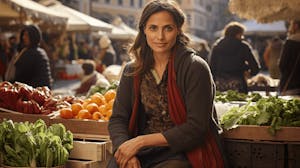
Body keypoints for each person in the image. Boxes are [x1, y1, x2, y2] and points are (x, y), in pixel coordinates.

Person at [108, 1, 227, 168]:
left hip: (184, 151)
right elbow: (118, 118)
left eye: (168, 28)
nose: (160, 37)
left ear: (178, 30)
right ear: (144, 30)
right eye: (153, 28)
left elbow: (196, 128)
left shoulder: (195, 67)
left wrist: (140, 142)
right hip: (142, 151)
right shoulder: (132, 70)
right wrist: (125, 149)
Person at [208, 21, 260, 93]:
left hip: (220, 85)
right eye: (241, 34)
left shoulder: (217, 46)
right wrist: (248, 71)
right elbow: (255, 67)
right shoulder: (244, 46)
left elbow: (211, 67)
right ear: (238, 34)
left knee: (221, 102)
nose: (242, 37)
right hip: (239, 84)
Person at [278, 20, 300, 95]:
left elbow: (282, 65)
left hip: (291, 85)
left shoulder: (290, 42)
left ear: (296, 26)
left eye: (291, 24)